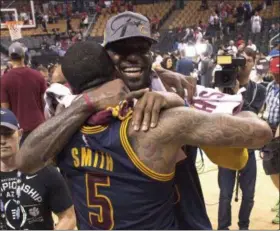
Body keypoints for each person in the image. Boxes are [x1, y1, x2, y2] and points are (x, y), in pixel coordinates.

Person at [16, 12, 272, 230]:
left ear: (152, 54)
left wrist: (174, 95)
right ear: (105, 58)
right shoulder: (76, 110)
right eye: (122, 50)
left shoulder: (68, 111)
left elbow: (248, 140)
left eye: (142, 49)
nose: (133, 57)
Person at [0, 108, 76, 230]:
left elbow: (68, 217)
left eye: (8, 134)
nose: (2, 140)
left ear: (19, 134)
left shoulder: (44, 172)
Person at [217, 47, 267, 230]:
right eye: (239, 59)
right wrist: (226, 91)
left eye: (246, 60)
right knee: (225, 194)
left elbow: (251, 114)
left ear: (253, 62)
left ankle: (243, 226)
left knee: (249, 194)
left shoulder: (259, 90)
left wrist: (238, 94)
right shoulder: (225, 84)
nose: (242, 63)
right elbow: (220, 114)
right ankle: (223, 227)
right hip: (227, 147)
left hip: (249, 148)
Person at [0, 42, 47, 144]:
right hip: (39, 125)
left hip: (18, 129)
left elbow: (5, 110)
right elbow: (45, 103)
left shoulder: (4, 80)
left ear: (10, 58)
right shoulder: (38, 75)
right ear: (24, 56)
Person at [262, 56, 280, 224]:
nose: (276, 77)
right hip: (269, 129)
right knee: (271, 168)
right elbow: (266, 107)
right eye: (275, 73)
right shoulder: (270, 86)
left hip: (279, 132)